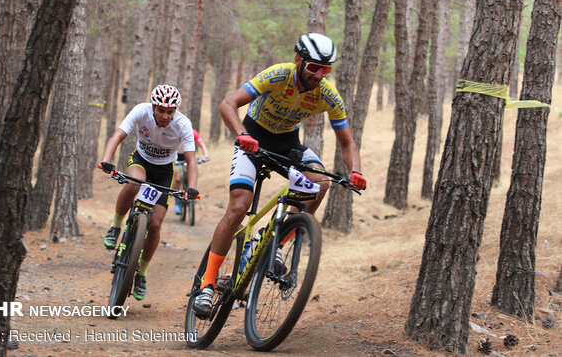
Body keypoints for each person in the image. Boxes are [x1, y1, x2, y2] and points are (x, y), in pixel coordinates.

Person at [192, 33, 366, 317]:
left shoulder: (328, 94)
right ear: (298, 60)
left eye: (326, 69)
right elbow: (227, 104)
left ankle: (277, 240)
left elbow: (347, 142)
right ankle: (207, 285)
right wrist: (242, 135)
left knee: (321, 182)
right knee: (238, 206)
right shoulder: (277, 75)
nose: (319, 75)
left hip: (288, 146)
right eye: (313, 68)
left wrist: (355, 170)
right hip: (253, 141)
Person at [100, 84, 199, 301]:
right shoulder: (141, 111)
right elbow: (118, 135)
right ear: (153, 107)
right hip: (141, 161)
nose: (165, 116)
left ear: (176, 111)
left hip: (165, 171)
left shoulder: (182, 124)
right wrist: (106, 160)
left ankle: (142, 273)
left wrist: (192, 187)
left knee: (155, 224)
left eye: (170, 111)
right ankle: (116, 227)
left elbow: (191, 160)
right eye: (161, 110)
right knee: (134, 184)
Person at [173, 128, 210, 215]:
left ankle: (193, 189)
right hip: (176, 157)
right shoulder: (175, 131)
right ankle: (177, 203)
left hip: (188, 157)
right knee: (178, 179)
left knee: (192, 173)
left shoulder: (193, 132)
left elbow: (201, 144)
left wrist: (206, 156)